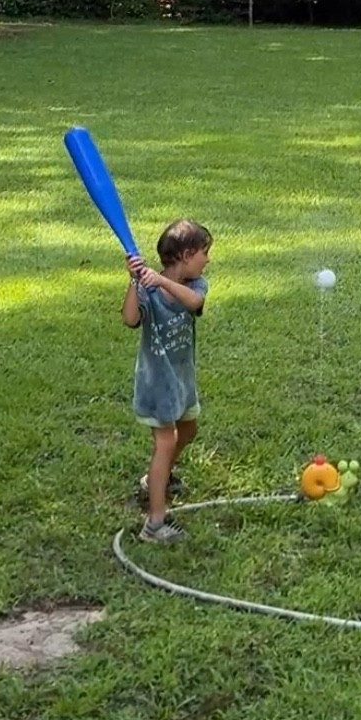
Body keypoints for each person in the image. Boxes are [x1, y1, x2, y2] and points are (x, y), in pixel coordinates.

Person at [123, 218, 213, 544]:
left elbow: (194, 303)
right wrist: (135, 282)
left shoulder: (196, 284)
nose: (207, 259)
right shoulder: (148, 289)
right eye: (204, 252)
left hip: (181, 380)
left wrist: (160, 280)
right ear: (187, 255)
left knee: (189, 430)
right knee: (166, 441)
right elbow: (130, 318)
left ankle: (154, 481)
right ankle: (155, 523)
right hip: (156, 384)